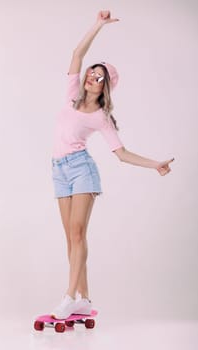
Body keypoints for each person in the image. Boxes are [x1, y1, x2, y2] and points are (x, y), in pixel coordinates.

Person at [50, 10, 174, 320]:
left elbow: (121, 153)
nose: (92, 77)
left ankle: (68, 297)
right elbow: (77, 53)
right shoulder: (71, 95)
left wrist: (155, 163)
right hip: (59, 171)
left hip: (82, 171)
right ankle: (83, 299)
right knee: (71, 239)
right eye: (92, 72)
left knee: (78, 236)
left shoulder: (101, 117)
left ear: (105, 86)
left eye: (99, 76)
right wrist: (99, 25)